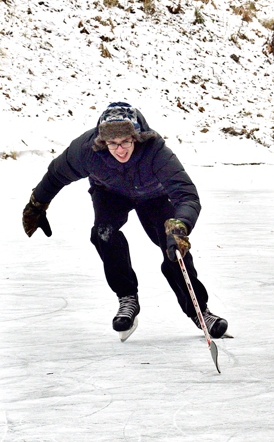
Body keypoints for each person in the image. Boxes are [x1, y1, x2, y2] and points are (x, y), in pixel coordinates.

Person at [21, 102, 228, 341]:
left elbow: (186, 194)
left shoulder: (155, 151)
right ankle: (127, 298)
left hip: (154, 195)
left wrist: (179, 225)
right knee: (103, 233)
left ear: (136, 138)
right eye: (112, 143)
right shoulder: (86, 150)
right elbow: (56, 174)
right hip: (109, 193)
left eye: (125, 142)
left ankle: (200, 311)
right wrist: (37, 204)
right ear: (102, 142)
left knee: (173, 249)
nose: (120, 150)